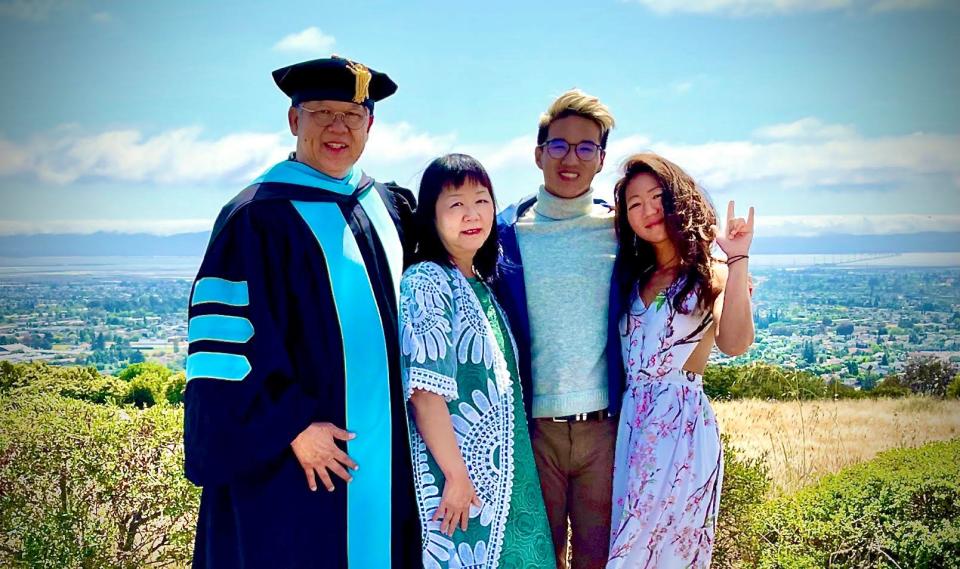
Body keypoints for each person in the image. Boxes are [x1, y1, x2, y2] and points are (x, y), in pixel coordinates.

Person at [183, 56, 420, 569]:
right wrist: (290, 427)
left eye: (353, 116)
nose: (339, 128)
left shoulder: (386, 205)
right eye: (322, 113)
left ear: (371, 126)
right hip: (299, 466)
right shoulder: (256, 219)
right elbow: (222, 358)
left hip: (388, 466)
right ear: (295, 121)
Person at [400, 154, 556, 569]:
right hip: (461, 482)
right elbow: (424, 393)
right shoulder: (428, 281)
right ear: (431, 216)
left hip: (505, 475)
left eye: (481, 200)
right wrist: (455, 476)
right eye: (455, 204)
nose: (472, 214)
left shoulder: (479, 282)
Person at [606, 153, 755, 568]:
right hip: (632, 427)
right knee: (627, 544)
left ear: (678, 200)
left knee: (658, 552)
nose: (647, 210)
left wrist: (739, 259)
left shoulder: (711, 271)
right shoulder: (634, 276)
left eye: (656, 197)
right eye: (634, 204)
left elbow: (735, 342)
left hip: (681, 429)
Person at [495, 89, 620, 569]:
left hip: (604, 430)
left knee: (601, 559)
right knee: (535, 559)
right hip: (531, 433)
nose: (572, 158)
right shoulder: (504, 235)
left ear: (601, 160)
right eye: (560, 145)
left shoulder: (621, 233)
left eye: (586, 147)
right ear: (538, 154)